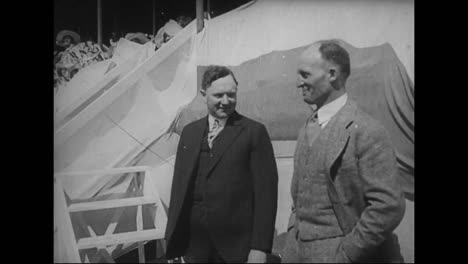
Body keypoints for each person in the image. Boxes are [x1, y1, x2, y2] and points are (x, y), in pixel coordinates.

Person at [282, 40, 406, 263]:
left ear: (332, 74)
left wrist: (347, 254)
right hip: (295, 252)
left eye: (305, 74)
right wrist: (293, 232)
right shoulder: (306, 127)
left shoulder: (367, 130)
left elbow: (388, 207)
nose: (298, 83)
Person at [165, 65, 278, 263]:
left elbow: (266, 195)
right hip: (195, 245)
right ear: (203, 94)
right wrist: (175, 239)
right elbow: (179, 189)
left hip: (236, 246)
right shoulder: (189, 133)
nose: (226, 102)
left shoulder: (254, 132)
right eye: (218, 95)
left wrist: (259, 248)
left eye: (231, 95)